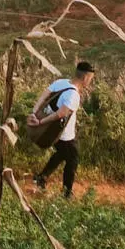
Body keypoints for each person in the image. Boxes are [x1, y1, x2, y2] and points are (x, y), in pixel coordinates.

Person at [30, 61, 95, 199]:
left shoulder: (61, 82)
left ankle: (41, 177)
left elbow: (44, 95)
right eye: (91, 79)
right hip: (62, 134)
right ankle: (67, 193)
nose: (90, 82)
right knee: (73, 159)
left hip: (50, 131)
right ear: (85, 78)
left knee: (61, 154)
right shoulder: (73, 95)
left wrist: (34, 113)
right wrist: (40, 121)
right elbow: (61, 114)